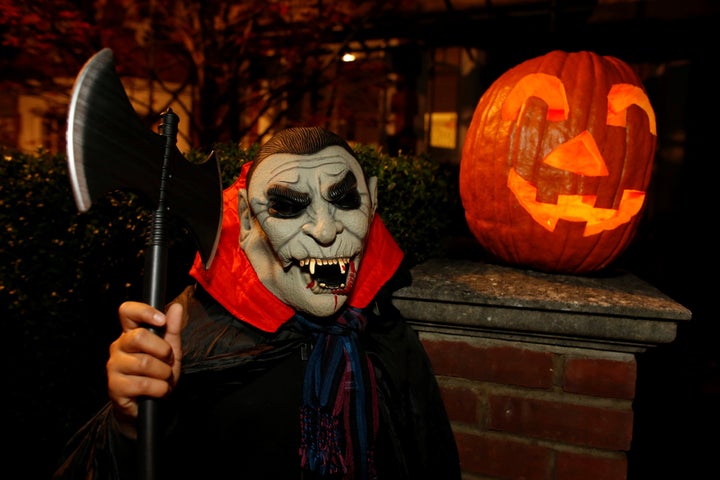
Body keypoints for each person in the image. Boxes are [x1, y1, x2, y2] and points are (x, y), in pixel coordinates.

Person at [53, 127, 461, 480]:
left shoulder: (384, 330)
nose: (325, 229)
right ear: (248, 219)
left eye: (344, 200)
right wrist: (129, 426)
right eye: (287, 205)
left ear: (371, 202)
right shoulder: (197, 335)